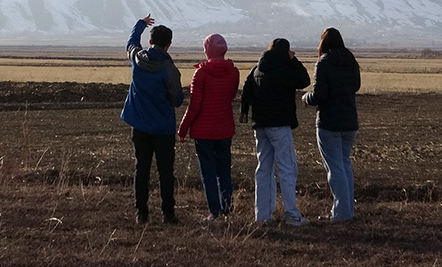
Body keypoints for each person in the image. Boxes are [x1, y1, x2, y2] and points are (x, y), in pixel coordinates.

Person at [240, 38, 312, 226]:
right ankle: (292, 213)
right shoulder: (283, 70)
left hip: (260, 125)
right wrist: (293, 60)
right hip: (279, 125)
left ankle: (262, 214)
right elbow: (304, 80)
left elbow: (246, 92)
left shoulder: (257, 69)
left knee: (263, 168)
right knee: (287, 168)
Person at [121, 13, 184, 225]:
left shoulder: (137, 59)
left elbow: (131, 44)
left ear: (150, 42)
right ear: (169, 45)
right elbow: (176, 100)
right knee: (166, 171)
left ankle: (142, 213)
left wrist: (140, 24)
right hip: (163, 128)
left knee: (142, 169)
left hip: (139, 126)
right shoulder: (170, 70)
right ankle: (168, 213)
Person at [178, 34, 240, 223]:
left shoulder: (201, 73)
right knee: (224, 171)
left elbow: (194, 105)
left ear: (207, 50)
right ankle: (228, 209)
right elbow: (229, 97)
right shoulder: (234, 72)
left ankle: (214, 211)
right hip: (224, 127)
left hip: (203, 131)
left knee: (208, 171)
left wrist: (183, 127)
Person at [302, 27, 361, 222]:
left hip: (329, 122)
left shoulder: (324, 63)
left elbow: (320, 95)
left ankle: (341, 214)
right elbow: (356, 86)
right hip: (350, 120)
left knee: (334, 169)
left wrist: (306, 97)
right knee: (344, 164)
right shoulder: (350, 60)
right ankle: (347, 210)